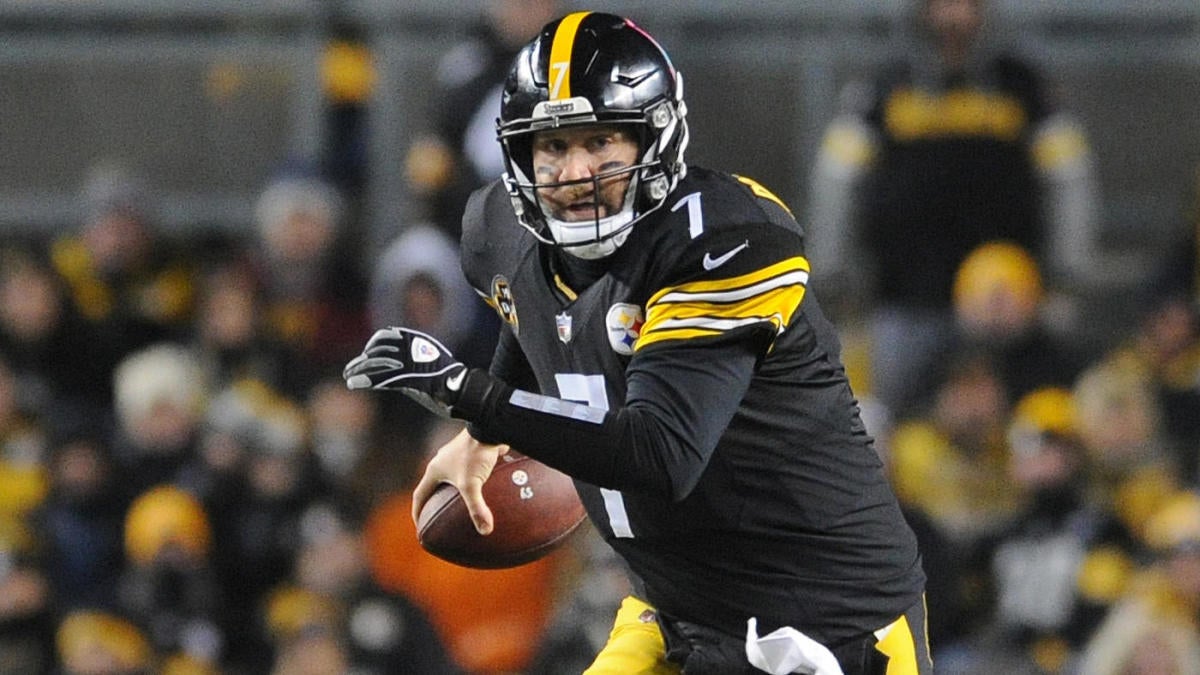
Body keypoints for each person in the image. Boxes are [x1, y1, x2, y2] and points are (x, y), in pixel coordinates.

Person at [345, 11, 931, 674]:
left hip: (821, 617)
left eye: (601, 143)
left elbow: (661, 452)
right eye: (553, 147)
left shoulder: (723, 238)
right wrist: (484, 433)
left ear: (655, 139)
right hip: (674, 605)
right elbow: (531, 315)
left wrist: (468, 394)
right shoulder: (499, 229)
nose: (576, 172)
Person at [806, 0, 1100, 416]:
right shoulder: (884, 86)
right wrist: (834, 274)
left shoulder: (1023, 86)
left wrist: (1067, 277)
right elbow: (837, 178)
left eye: (966, 4)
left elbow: (1069, 178)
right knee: (895, 422)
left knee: (1018, 423)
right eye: (941, 4)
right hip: (905, 299)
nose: (953, 17)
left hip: (1006, 303)